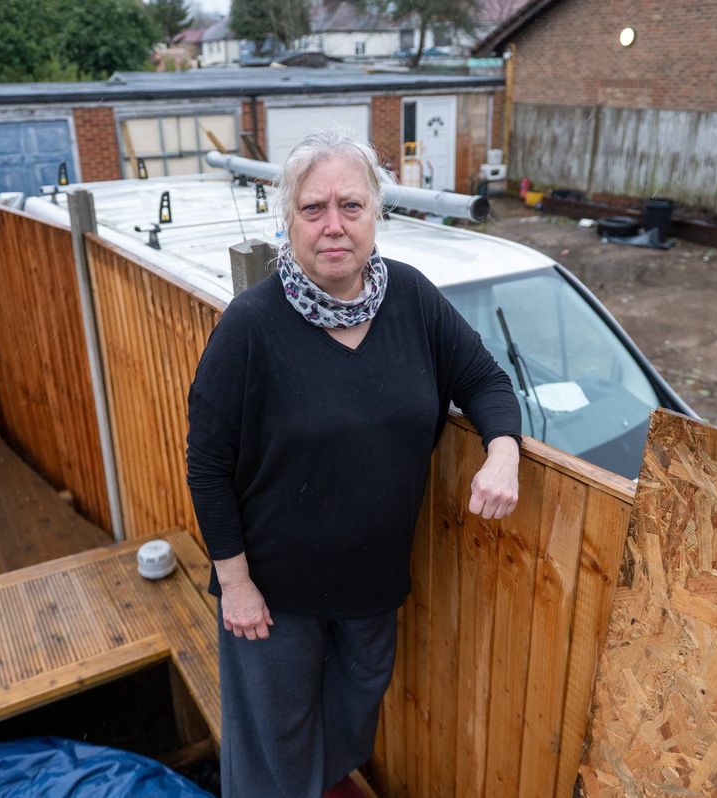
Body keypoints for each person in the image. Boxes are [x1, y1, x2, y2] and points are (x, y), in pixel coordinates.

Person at [185, 131, 521, 798]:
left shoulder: (413, 301)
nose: (333, 226)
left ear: (376, 213)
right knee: (270, 747)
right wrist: (236, 582)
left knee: (350, 719)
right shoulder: (251, 326)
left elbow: (485, 381)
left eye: (351, 205)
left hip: (371, 589)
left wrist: (503, 453)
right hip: (274, 596)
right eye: (313, 209)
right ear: (289, 219)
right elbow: (208, 462)